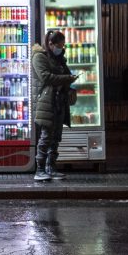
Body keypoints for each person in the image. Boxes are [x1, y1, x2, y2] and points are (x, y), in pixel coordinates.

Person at [32, 28, 77, 182]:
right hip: (47, 102)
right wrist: (67, 78)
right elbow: (45, 77)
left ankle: (51, 168)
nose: (61, 49)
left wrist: (70, 81)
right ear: (50, 44)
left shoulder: (59, 59)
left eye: (63, 46)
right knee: (46, 137)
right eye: (59, 46)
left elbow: (65, 75)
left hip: (59, 101)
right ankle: (40, 169)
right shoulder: (39, 57)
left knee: (55, 137)